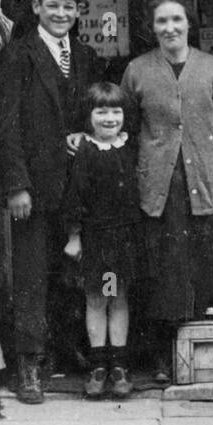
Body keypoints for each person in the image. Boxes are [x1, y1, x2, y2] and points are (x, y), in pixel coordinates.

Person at [122, 0, 213, 383]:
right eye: (161, 21)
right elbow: (123, 128)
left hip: (204, 186)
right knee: (161, 273)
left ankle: (200, 356)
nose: (170, 28)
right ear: (151, 28)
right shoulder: (137, 71)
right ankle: (163, 358)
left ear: (189, 23)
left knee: (201, 269)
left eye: (177, 19)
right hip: (158, 189)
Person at [0, 0, 101, 404]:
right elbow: (6, 126)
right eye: (52, 6)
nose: (61, 14)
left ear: (77, 13)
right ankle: (29, 366)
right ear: (36, 8)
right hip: (34, 189)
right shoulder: (19, 56)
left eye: (69, 8)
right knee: (32, 276)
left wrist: (82, 134)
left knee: (71, 272)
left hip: (75, 188)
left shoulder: (86, 56)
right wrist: (17, 186)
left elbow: (94, 113)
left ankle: (65, 350)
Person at [63, 82, 139, 399]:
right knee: (99, 298)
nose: (109, 118)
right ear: (89, 115)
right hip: (99, 242)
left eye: (116, 111)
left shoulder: (128, 147)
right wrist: (74, 236)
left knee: (118, 298)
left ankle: (118, 365)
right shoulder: (86, 152)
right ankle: (98, 365)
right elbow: (75, 197)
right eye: (101, 111)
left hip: (125, 239)